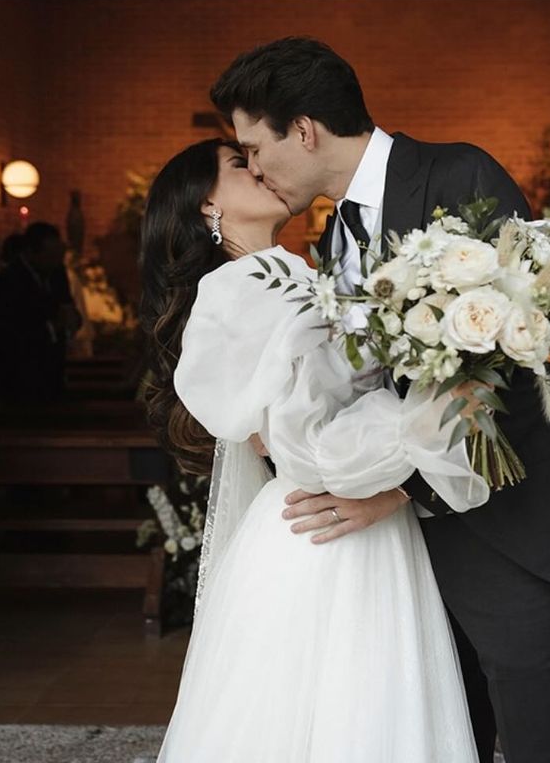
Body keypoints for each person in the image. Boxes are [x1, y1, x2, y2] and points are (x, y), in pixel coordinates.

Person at [209, 37, 550, 763]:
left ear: (303, 130)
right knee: (443, 736)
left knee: (542, 743)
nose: (253, 167)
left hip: (509, 529)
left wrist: (399, 492)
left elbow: (514, 365)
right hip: (401, 561)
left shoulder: (457, 174)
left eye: (253, 146)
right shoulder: (335, 234)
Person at [144, 139, 489, 762]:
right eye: (238, 164)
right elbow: (299, 447)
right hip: (320, 523)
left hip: (361, 518)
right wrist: (432, 417)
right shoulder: (235, 291)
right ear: (206, 206)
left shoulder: (312, 270)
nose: (260, 168)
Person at [0, 222, 81, 402]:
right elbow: (10, 333)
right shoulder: (9, 281)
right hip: (18, 380)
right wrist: (54, 326)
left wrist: (72, 319)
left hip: (53, 375)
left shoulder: (56, 273)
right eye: (50, 256)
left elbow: (67, 305)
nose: (55, 262)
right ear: (31, 252)